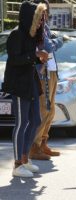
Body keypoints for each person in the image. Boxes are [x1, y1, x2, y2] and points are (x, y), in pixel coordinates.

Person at [1, 1, 48, 177]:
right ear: (30, 18)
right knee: (21, 123)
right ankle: (17, 165)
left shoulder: (31, 35)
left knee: (36, 120)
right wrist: (35, 55)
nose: (41, 22)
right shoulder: (16, 35)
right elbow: (14, 60)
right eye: (39, 18)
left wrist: (39, 58)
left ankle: (25, 158)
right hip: (20, 85)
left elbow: (27, 59)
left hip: (31, 82)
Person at [29, 0, 64, 160]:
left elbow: (49, 45)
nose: (46, 14)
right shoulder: (35, 27)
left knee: (51, 111)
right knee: (43, 110)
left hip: (51, 71)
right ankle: (34, 147)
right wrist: (59, 40)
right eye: (43, 11)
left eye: (46, 11)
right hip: (42, 73)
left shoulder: (46, 27)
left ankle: (43, 143)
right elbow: (49, 46)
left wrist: (54, 40)